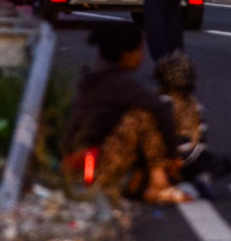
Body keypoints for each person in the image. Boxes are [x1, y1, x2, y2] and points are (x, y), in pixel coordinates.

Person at [65, 22, 190, 204]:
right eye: (139, 50)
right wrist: (173, 155)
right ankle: (157, 181)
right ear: (126, 54)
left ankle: (138, 181)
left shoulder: (93, 77)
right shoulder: (118, 84)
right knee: (142, 115)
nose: (143, 56)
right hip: (89, 166)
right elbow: (159, 110)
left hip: (78, 163)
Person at [153, 51, 231, 200]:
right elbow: (201, 136)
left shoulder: (160, 102)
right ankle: (202, 178)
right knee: (217, 161)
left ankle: (179, 179)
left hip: (167, 157)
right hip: (191, 155)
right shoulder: (194, 106)